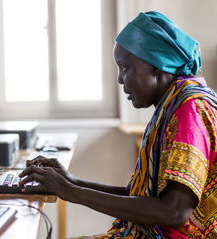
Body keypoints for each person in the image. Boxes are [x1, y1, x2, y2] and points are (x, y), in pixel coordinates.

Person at [19, 11, 217, 238]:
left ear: (157, 67)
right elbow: (144, 198)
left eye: (126, 68)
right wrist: (70, 181)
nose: (120, 80)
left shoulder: (190, 109)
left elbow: (174, 211)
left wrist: (70, 191)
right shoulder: (173, 104)